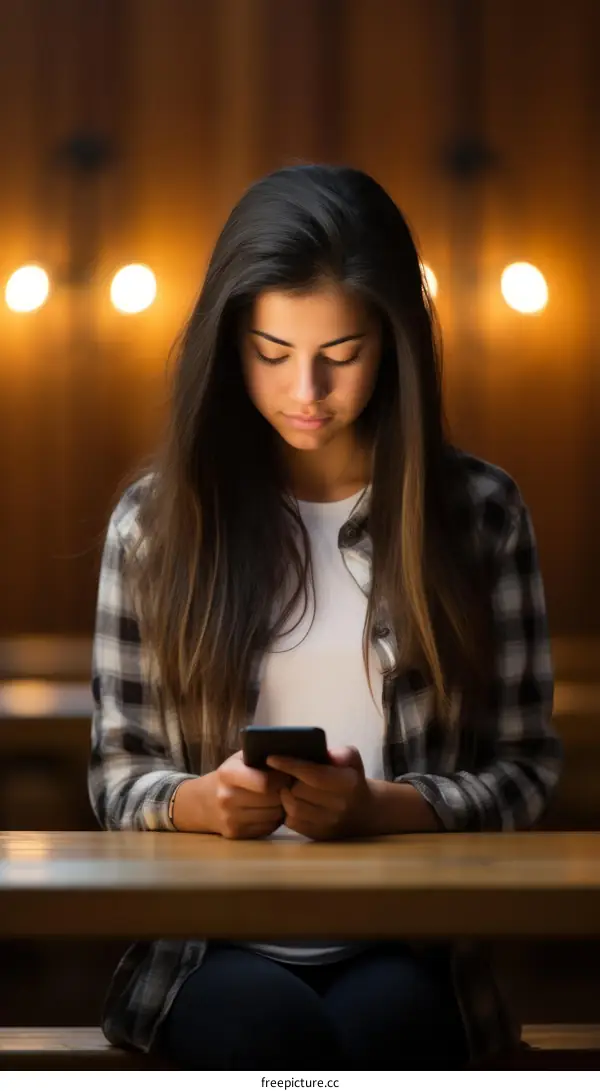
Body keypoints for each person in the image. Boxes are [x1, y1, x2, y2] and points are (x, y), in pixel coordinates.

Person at [89, 164, 562, 1071]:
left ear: (396, 344)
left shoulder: (480, 516)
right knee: (268, 1036)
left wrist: (386, 807)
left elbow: (527, 769)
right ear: (228, 346)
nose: (306, 388)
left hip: (412, 943)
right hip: (209, 948)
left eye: (341, 354)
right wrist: (201, 800)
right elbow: (118, 774)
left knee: (386, 1032)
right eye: (271, 353)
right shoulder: (156, 526)